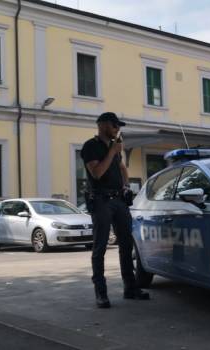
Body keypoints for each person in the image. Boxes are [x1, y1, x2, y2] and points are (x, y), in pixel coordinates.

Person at [81, 112, 150, 309]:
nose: (117, 128)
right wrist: (112, 151)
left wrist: (126, 186)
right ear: (102, 125)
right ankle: (101, 294)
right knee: (100, 247)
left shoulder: (115, 149)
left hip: (119, 200)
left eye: (118, 126)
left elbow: (121, 167)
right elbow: (97, 173)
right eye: (114, 125)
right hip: (101, 199)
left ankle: (131, 288)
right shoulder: (91, 147)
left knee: (126, 244)